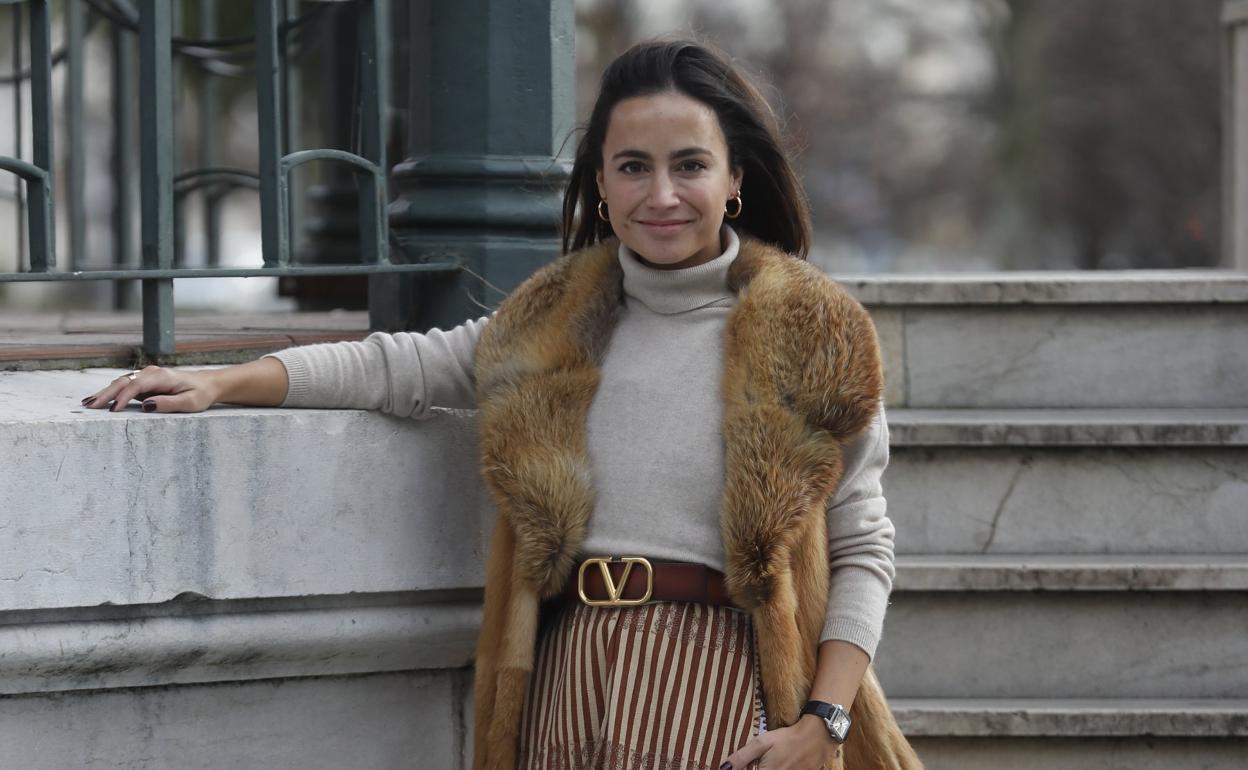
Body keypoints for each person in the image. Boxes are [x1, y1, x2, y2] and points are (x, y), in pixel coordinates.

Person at [82, 39, 921, 770]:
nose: (660, 194)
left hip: (724, 682)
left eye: (689, 165)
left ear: (735, 178)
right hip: (563, 676)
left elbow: (863, 546)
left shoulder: (814, 333)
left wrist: (826, 719)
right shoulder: (554, 320)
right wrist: (226, 381)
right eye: (633, 166)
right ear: (599, 182)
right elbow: (399, 366)